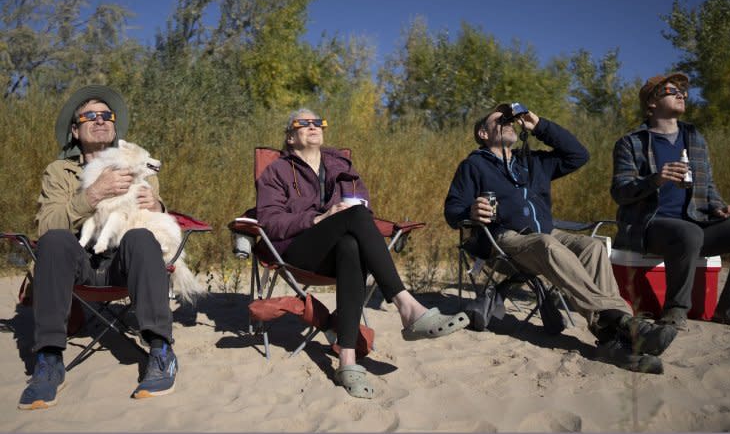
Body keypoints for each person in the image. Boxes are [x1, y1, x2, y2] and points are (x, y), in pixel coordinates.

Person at [444, 103, 677, 374]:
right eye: (500, 120)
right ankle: (623, 321)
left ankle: (612, 337)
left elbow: (578, 155)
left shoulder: (531, 161)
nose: (509, 122)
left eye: (511, 119)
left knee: (592, 246)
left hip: (546, 234)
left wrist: (539, 124)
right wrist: (470, 210)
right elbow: (452, 211)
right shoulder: (473, 165)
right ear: (483, 134)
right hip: (505, 240)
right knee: (547, 244)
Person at [256, 108, 469, 399]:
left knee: (351, 245)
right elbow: (269, 221)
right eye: (302, 123)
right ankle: (407, 307)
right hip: (298, 250)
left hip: (337, 250)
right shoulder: (277, 171)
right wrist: (318, 219)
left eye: (317, 121)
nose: (313, 125)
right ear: (290, 137)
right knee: (355, 215)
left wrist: (344, 214)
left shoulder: (341, 165)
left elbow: (363, 205)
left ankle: (346, 361)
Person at [18, 85, 178, 410]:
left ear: (115, 127)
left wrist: (158, 206)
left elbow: (155, 219)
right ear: (75, 131)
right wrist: (92, 195)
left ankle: (161, 350)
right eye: (90, 115)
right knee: (55, 239)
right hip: (79, 264)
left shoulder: (139, 167)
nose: (100, 119)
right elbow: (47, 225)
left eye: (107, 115)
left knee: (142, 237)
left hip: (124, 262)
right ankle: (49, 360)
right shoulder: (59, 172)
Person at [611, 72, 730, 334]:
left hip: (696, 223)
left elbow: (707, 185)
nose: (681, 94)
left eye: (683, 92)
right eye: (671, 90)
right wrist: (656, 179)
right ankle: (676, 310)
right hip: (650, 227)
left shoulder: (694, 138)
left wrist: (720, 207)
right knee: (688, 233)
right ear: (651, 103)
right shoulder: (631, 143)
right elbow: (620, 191)